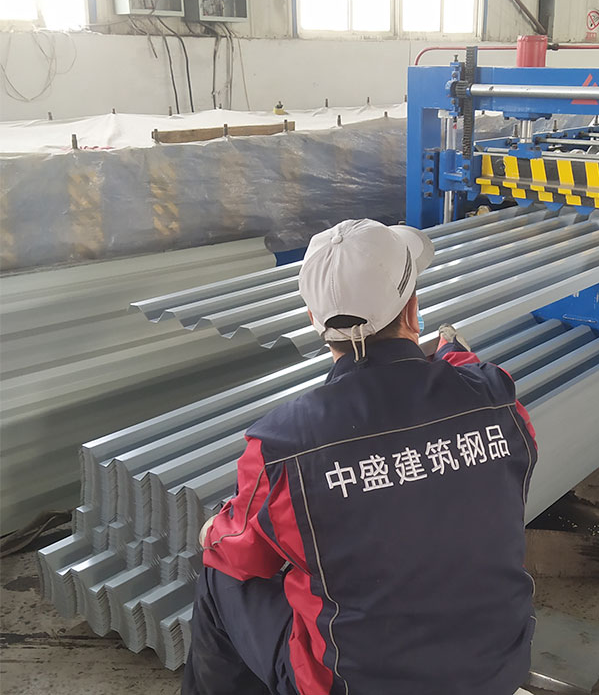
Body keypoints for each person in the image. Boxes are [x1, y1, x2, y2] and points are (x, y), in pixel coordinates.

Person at [183, 218, 538, 695]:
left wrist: (214, 531)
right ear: (412, 308)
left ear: (314, 319)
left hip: (352, 686)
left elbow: (241, 555)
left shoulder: (284, 445)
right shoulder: (498, 400)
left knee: (219, 575)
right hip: (497, 670)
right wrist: (455, 360)